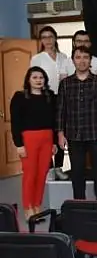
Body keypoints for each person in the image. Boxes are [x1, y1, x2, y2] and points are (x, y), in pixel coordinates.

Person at [57, 47, 97, 201]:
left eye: (85, 57)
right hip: (74, 135)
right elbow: (60, 110)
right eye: (78, 57)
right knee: (77, 173)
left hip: (96, 135)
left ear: (90, 60)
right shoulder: (65, 84)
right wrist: (60, 133)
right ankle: (80, 205)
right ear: (73, 60)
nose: (82, 61)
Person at [10, 67, 56, 220]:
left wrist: (54, 142)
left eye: (41, 77)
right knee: (30, 174)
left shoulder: (50, 96)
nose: (38, 80)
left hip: (47, 138)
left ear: (45, 80)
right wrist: (19, 144)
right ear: (28, 80)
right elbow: (15, 122)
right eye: (35, 77)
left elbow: (54, 121)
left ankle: (37, 206)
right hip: (29, 139)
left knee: (42, 173)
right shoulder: (19, 97)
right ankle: (28, 207)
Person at [30, 25, 69, 181]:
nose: (47, 40)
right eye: (44, 37)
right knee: (47, 132)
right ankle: (48, 167)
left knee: (60, 131)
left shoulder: (63, 57)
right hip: (45, 97)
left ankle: (58, 166)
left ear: (55, 38)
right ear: (41, 40)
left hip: (62, 97)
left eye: (50, 37)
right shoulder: (37, 58)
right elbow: (33, 78)